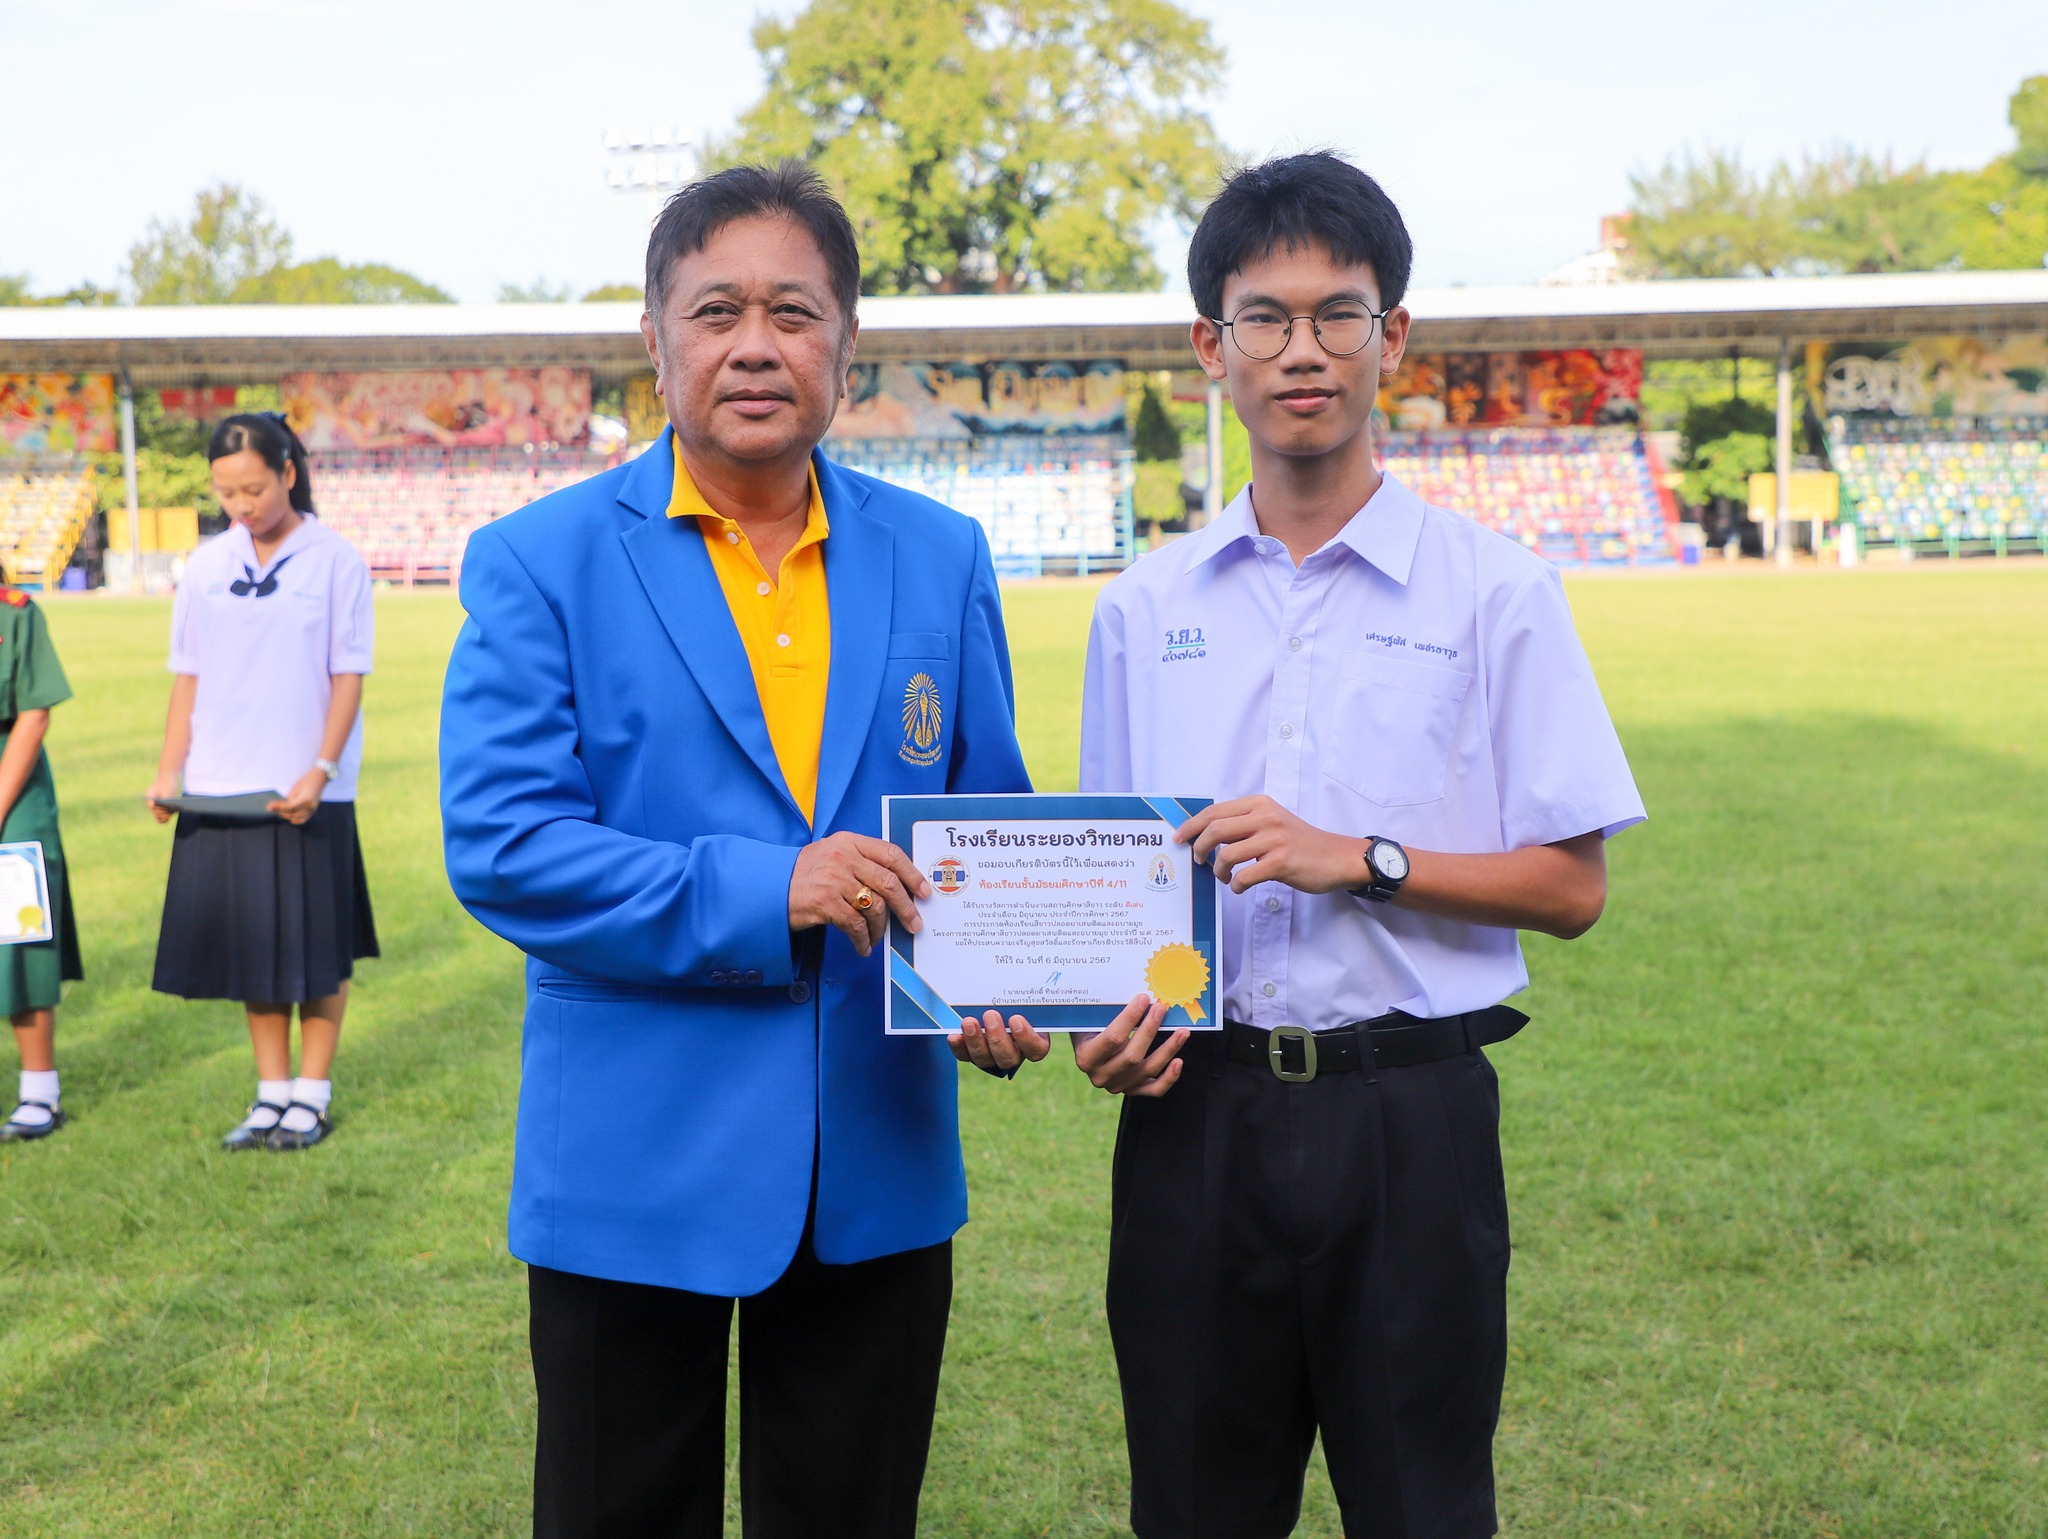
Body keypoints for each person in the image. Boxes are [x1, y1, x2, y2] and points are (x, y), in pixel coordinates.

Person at [439, 161, 1047, 1539]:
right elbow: (506, 843)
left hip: (872, 1165)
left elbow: (983, 829)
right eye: (717, 310)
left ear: (848, 341)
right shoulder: (540, 560)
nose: (757, 344)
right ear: (655, 339)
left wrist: (1001, 985)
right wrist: (772, 887)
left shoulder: (939, 555)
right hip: (630, 1166)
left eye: (795, 311)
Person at [1074, 152, 1647, 1539]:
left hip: (1410, 1119)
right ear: (1210, 346)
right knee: (1192, 1511)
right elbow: (1112, 896)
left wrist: (1363, 857)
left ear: (1392, 337)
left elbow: (1571, 887)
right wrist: (1106, 1025)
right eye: (1263, 317)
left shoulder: (1497, 590)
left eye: (1338, 313)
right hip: (1194, 1120)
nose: (1302, 350)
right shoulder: (1142, 609)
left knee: (1423, 1507)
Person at [147, 411, 378, 1153]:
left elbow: (348, 674)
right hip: (222, 784)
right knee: (255, 949)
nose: (241, 505)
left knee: (317, 949)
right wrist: (169, 768)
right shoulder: (206, 565)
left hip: (308, 789)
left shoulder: (335, 560)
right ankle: (271, 1093)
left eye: (254, 489)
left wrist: (321, 769)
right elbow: (188, 676)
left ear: (287, 473)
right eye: (226, 493)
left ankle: (313, 1094)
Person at [0, 586, 81, 1143]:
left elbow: (33, 717)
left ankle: (39, 1092)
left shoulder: (15, 615)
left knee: (18, 927)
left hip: (12, 780)